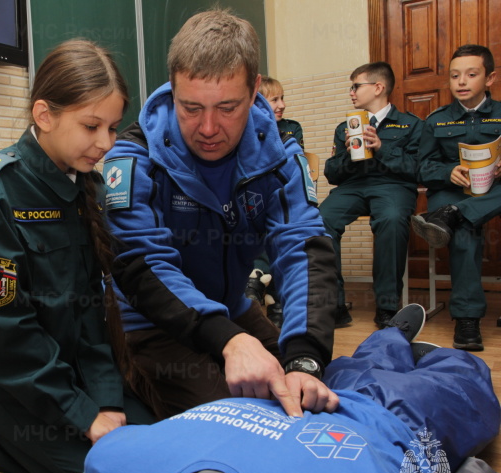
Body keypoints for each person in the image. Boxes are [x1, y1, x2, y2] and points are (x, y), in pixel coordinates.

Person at [0, 39, 154, 473]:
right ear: (44, 114)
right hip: (10, 375)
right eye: (92, 126)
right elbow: (1, 336)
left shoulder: (84, 184)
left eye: (114, 128)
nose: (106, 144)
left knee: (154, 449)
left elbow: (90, 314)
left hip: (66, 367)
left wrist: (106, 399)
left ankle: (12, 435)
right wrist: (82, 414)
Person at [65, 304, 501, 473]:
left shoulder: (116, 464)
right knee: (466, 375)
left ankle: (392, 338)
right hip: (398, 417)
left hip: (313, 393)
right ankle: (418, 352)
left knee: (364, 359)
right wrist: (454, 471)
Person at [102, 9, 338, 421]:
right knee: (242, 420)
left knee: (311, 391)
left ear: (255, 90)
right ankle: (122, 386)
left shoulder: (280, 156)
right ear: (172, 88)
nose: (208, 127)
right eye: (190, 108)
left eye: (227, 107)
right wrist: (229, 341)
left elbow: (302, 250)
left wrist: (304, 357)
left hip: (229, 307)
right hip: (148, 322)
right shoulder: (132, 158)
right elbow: (141, 265)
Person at [320, 62, 422, 329]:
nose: (351, 92)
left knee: (390, 219)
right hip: (353, 186)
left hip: (393, 187)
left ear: (378, 87)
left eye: (356, 86)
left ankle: (388, 306)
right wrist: (349, 154)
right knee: (321, 220)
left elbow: (419, 170)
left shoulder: (410, 125)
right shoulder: (346, 125)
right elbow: (332, 173)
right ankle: (335, 304)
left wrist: (381, 147)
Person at [412, 44, 501, 351]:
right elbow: (422, 168)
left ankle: (453, 214)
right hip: (451, 191)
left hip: (494, 190)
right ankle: (467, 319)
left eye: (471, 74)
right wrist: (447, 171)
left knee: (458, 218)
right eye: (455, 76)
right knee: (464, 230)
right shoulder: (436, 120)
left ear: (489, 78)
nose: (461, 82)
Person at [245, 76, 306, 328]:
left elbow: (294, 172)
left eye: (283, 98)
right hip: (255, 198)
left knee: (281, 226)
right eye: (274, 99)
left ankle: (262, 285)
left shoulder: (291, 129)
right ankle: (268, 294)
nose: (281, 105)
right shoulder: (245, 133)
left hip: (282, 196)